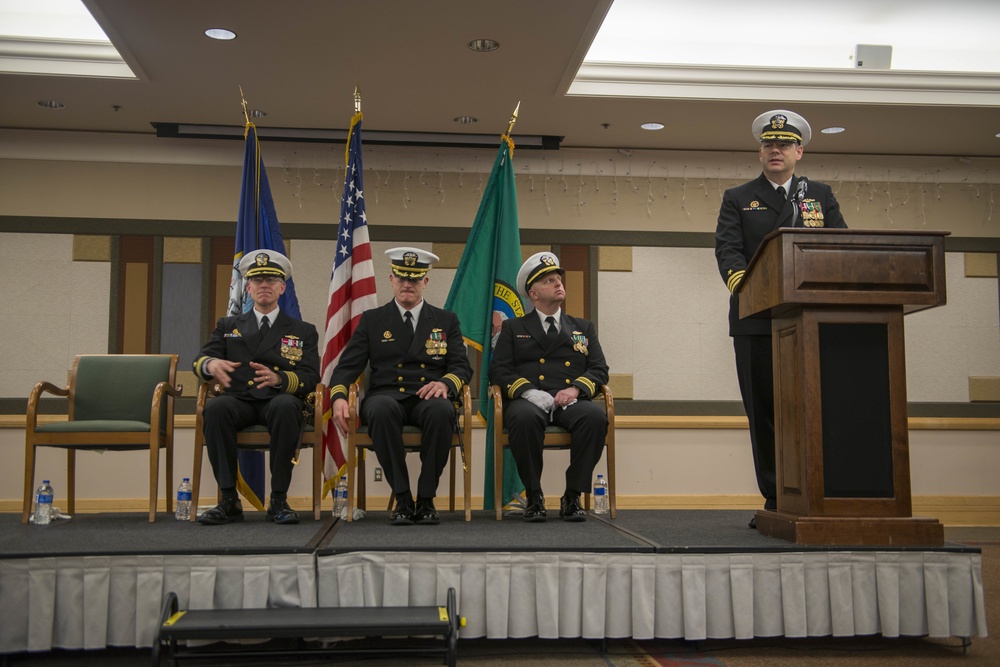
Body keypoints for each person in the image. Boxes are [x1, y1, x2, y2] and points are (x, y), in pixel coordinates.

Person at [715, 110, 847, 529]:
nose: (776, 149)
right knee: (765, 412)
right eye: (769, 144)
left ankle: (816, 493)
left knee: (810, 410)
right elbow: (728, 252)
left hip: (809, 322)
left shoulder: (819, 195)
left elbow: (841, 247)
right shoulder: (738, 197)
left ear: (799, 152)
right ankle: (775, 497)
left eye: (784, 144)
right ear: (760, 151)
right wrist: (748, 287)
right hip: (757, 321)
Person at [329, 247, 472, 526]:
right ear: (392, 280)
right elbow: (347, 367)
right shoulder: (372, 320)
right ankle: (404, 498)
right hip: (386, 396)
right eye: (402, 278)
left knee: (443, 412)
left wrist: (446, 382)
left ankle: (427, 499)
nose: (408, 284)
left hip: (428, 397)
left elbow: (462, 366)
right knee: (380, 410)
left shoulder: (446, 320)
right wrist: (338, 398)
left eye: (415, 279)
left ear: (425, 282)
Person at [193, 249, 320, 525]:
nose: (264, 285)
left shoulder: (302, 330)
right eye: (258, 280)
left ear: (282, 288)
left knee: (288, 406)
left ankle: (278, 500)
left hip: (277, 401)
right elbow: (199, 360)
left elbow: (311, 376)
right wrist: (210, 365)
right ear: (248, 288)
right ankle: (228, 500)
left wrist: (281, 380)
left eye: (271, 280)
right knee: (215, 410)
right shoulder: (228, 325)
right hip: (240, 401)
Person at [489, 252, 609, 523]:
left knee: (595, 418)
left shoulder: (582, 327)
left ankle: (572, 495)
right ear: (533, 294)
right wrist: (529, 392)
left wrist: (576, 390)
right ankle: (534, 495)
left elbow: (599, 369)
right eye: (549, 281)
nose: (558, 284)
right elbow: (498, 370)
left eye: (558, 279)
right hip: (530, 400)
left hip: (569, 401)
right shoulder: (512, 327)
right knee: (523, 418)